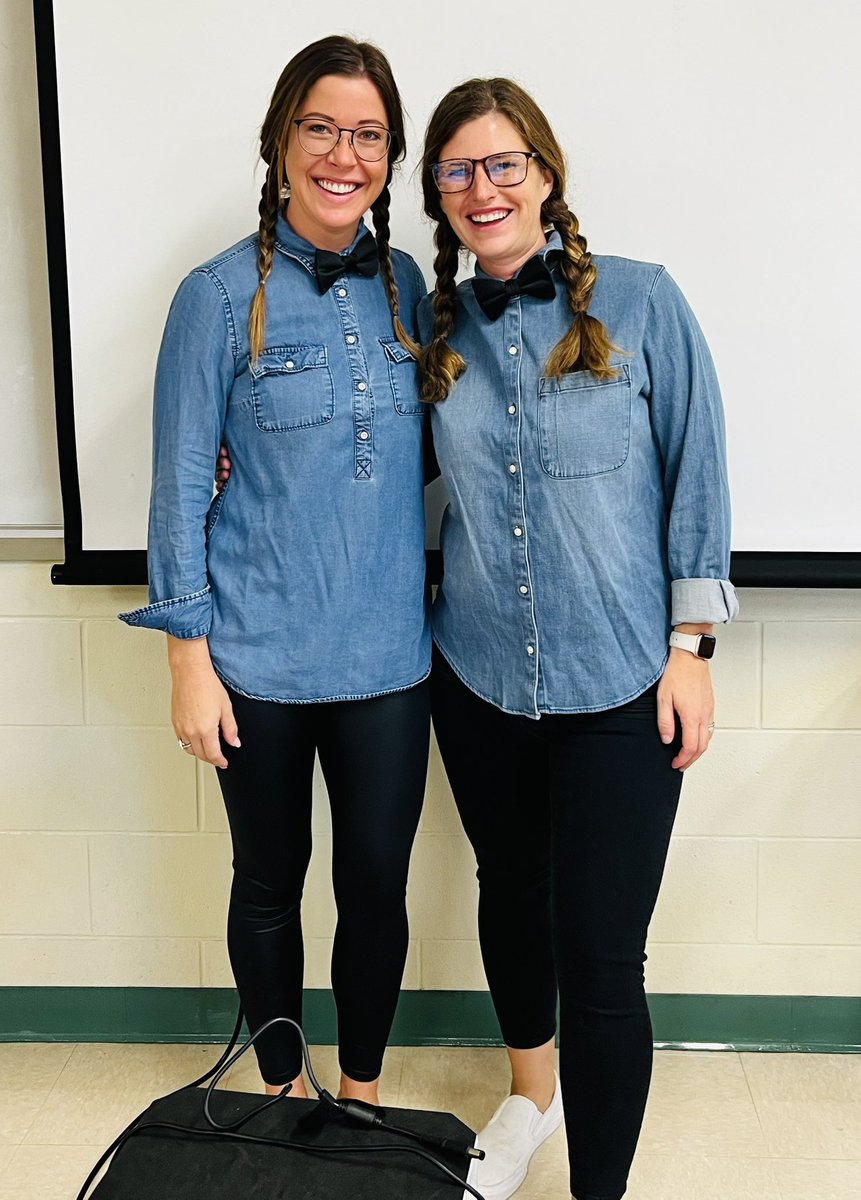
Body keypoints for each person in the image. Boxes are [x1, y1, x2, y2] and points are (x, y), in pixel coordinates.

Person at [417, 78, 738, 1200]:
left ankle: (598, 1189)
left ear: (546, 176)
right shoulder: (433, 330)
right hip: (479, 677)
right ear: (437, 197)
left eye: (503, 163)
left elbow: (699, 474)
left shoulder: (646, 303)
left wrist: (692, 648)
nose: (482, 187)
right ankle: (529, 1101)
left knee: (604, 959)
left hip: (620, 684)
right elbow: (383, 481)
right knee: (508, 892)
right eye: (456, 170)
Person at [119, 36, 431, 1106]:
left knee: (377, 891)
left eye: (370, 135)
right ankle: (287, 1096)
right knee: (267, 886)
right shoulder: (213, 298)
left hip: (391, 658)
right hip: (254, 661)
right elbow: (172, 493)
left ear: (389, 157)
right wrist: (188, 667)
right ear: (281, 140)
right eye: (321, 128)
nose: (343, 154)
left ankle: (362, 1096)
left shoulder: (407, 285)